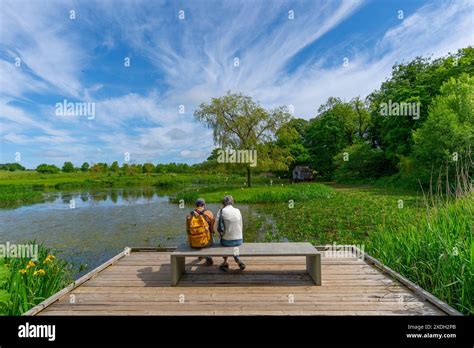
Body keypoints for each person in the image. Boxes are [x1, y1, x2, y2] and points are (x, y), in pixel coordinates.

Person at [216, 195, 246, 271]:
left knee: (223, 242)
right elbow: (241, 225)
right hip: (239, 240)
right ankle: (238, 260)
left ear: (223, 203)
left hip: (227, 242)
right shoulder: (238, 210)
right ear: (232, 202)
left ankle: (225, 262)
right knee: (234, 245)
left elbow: (215, 227)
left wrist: (219, 236)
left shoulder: (221, 211)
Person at [186, 198, 215, 265]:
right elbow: (212, 230)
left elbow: (188, 230)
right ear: (204, 205)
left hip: (194, 243)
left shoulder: (189, 215)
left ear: (196, 205)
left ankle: (200, 256)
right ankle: (208, 257)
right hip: (206, 243)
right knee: (211, 236)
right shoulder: (209, 213)